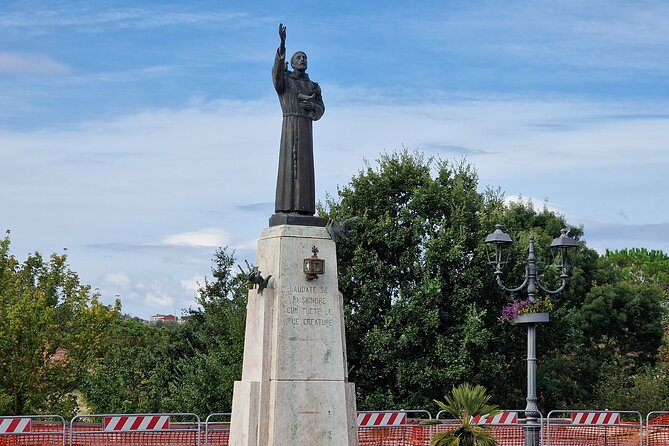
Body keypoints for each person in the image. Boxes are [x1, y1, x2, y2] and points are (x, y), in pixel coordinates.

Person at [272, 23, 325, 215]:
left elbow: (321, 109)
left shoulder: (313, 85)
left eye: (305, 58)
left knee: (304, 170)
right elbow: (276, 73)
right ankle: (286, 208)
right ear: (292, 63)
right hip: (290, 125)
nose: (302, 60)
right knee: (288, 167)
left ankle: (305, 209)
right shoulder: (285, 81)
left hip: (306, 128)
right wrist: (282, 45)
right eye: (299, 58)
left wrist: (313, 107)